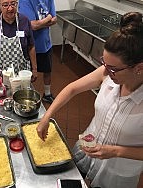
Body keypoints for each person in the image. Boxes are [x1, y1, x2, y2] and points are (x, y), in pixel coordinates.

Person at [37, 12, 143, 188]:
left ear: (139, 68)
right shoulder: (107, 73)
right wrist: (47, 116)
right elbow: (72, 89)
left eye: (113, 69)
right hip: (86, 148)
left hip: (116, 170)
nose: (106, 71)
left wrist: (116, 151)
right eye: (104, 63)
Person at [0, 0, 37, 80]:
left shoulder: (25, 21)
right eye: (5, 5)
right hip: (0, 73)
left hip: (22, 72)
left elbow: (31, 47)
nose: (10, 9)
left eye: (13, 4)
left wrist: (34, 69)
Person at [18, 0, 57, 104]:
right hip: (29, 45)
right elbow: (31, 25)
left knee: (47, 70)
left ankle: (47, 94)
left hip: (45, 43)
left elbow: (55, 19)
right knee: (28, 74)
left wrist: (40, 23)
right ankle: (26, 96)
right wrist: (47, 19)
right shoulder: (25, 1)